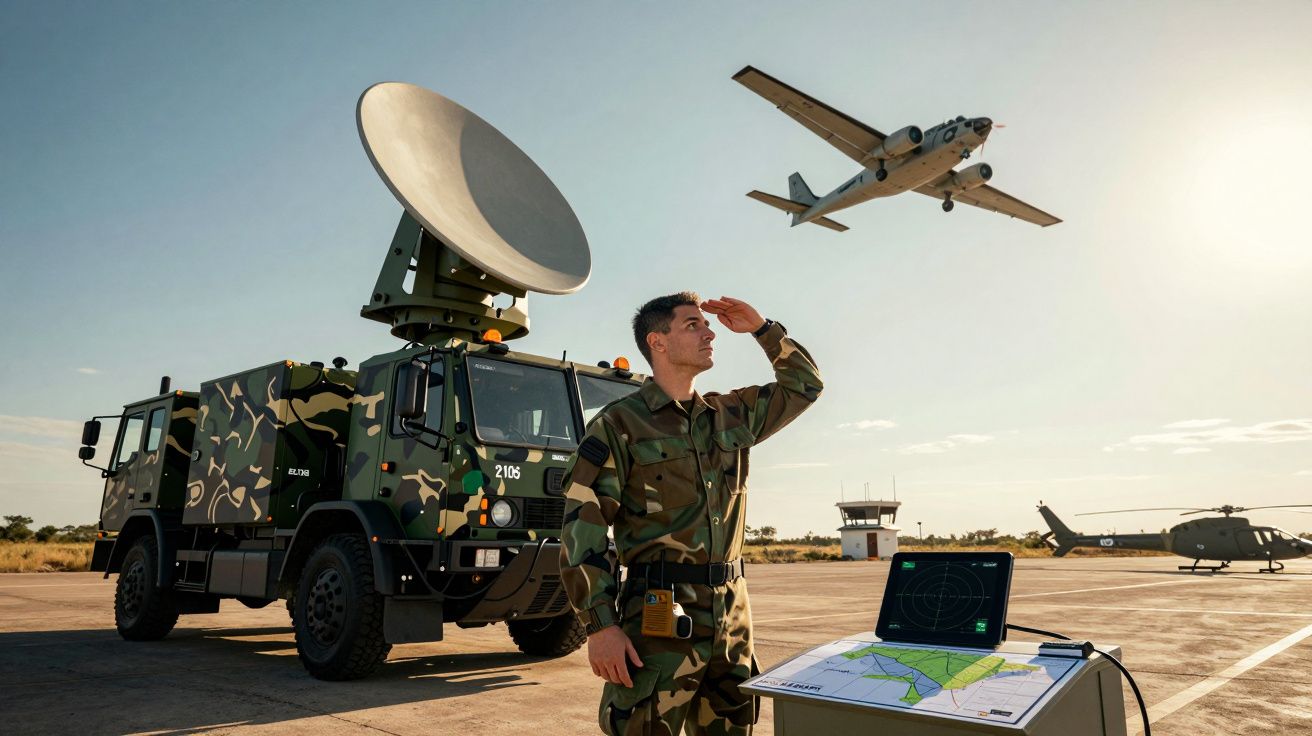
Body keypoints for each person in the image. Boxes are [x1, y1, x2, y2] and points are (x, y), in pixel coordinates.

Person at [560, 292, 823, 735]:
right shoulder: (619, 425)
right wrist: (600, 626)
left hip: (732, 617)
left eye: (707, 324)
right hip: (658, 622)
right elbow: (583, 527)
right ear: (657, 342)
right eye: (693, 325)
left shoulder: (729, 415)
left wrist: (763, 329)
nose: (709, 333)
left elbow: (805, 386)